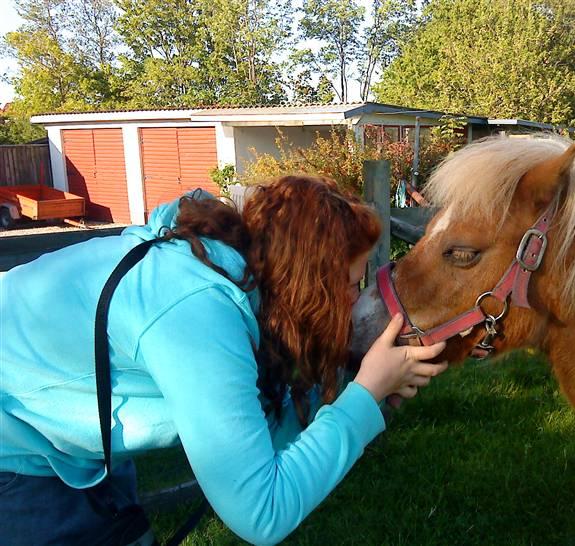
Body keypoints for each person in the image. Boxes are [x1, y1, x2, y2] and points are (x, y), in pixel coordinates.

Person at [0, 175, 448, 545]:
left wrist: (358, 388)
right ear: (312, 286)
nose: (354, 302)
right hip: (16, 452)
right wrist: (365, 394)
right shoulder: (197, 314)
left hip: (70, 451)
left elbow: (269, 437)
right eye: (351, 284)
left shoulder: (232, 278)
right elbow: (262, 512)